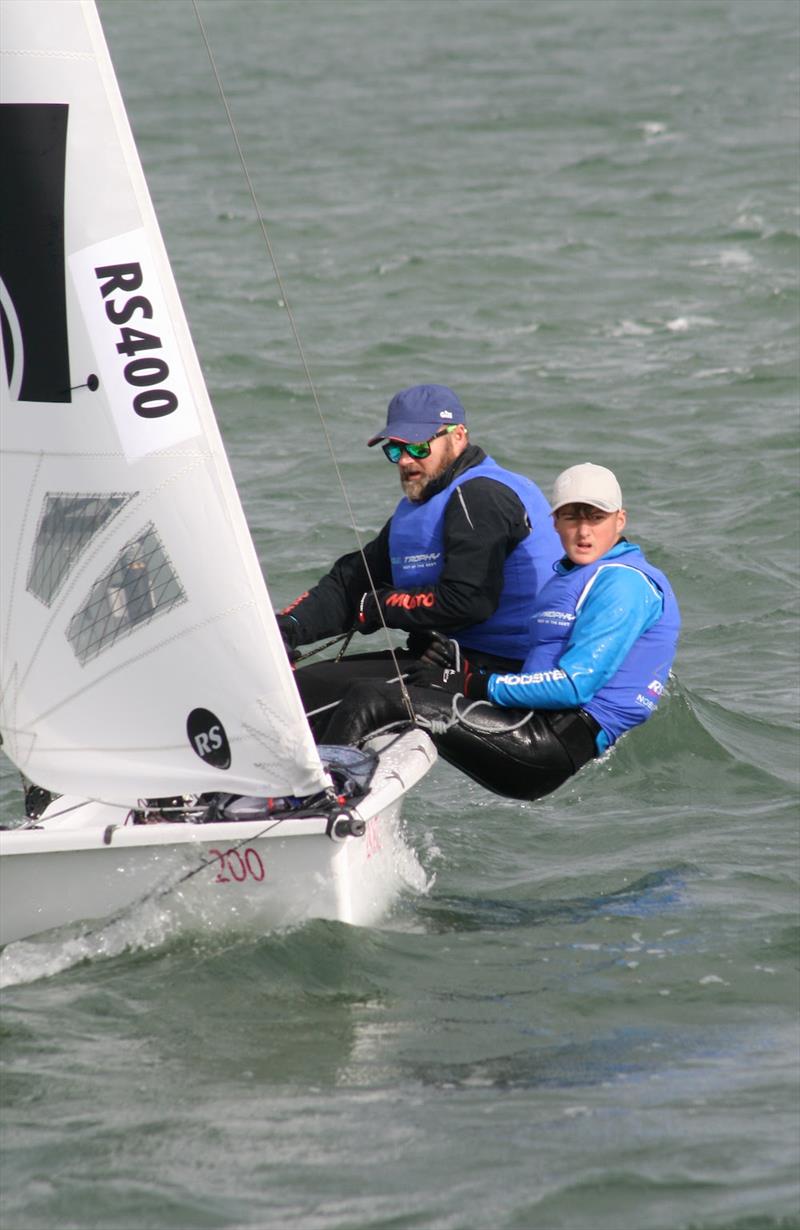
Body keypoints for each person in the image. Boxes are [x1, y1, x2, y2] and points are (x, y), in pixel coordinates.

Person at [320, 462, 681, 801]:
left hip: (547, 743)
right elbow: (540, 668)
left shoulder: (623, 582)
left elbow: (574, 686)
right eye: (571, 517)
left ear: (620, 520)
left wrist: (470, 685)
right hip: (530, 724)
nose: (583, 531)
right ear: (554, 522)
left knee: (374, 698)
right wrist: (463, 672)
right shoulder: (573, 574)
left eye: (596, 517)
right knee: (406, 688)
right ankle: (332, 780)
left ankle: (324, 800)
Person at [276, 384, 562, 734]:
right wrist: (286, 627)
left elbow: (468, 602)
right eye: (396, 450)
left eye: (417, 446)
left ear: (458, 437)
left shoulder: (481, 496)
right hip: (446, 661)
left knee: (303, 694)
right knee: (298, 688)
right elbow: (352, 583)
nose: (407, 460)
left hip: (504, 676)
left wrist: (381, 606)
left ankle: (330, 784)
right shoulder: (427, 505)